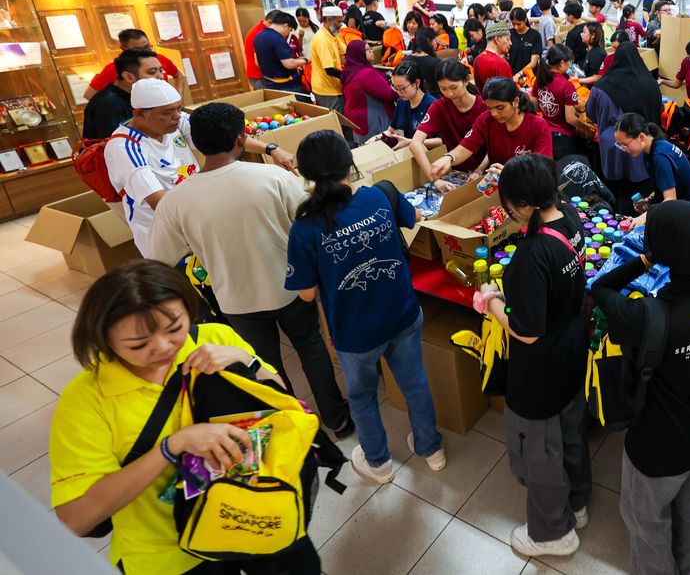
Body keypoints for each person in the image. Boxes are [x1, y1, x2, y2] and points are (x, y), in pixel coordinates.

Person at [50, 260, 324, 574]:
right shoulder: (87, 400)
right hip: (172, 555)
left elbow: (283, 402)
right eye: (139, 344)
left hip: (252, 510)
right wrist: (172, 446)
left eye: (174, 328)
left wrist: (245, 360)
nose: (164, 347)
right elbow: (76, 517)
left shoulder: (215, 338)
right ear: (103, 338)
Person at [148, 103, 352, 438]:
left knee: (264, 363)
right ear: (242, 139)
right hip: (291, 288)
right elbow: (308, 228)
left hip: (235, 299)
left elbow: (159, 258)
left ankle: (292, 426)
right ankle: (337, 418)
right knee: (311, 347)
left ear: (196, 145)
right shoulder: (274, 177)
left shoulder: (177, 200)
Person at [286, 131, 446, 484]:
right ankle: (431, 450)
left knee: (361, 396)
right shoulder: (379, 194)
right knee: (415, 382)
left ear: (308, 174)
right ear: (349, 163)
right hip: (402, 313)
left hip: (354, 331)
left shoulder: (306, 226)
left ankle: (379, 463)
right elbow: (414, 216)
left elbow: (307, 295)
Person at [589, 201, 690, 575]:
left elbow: (600, 287)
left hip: (657, 446)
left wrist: (646, 259)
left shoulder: (650, 317)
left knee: (646, 523)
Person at [472, 155, 591, 557]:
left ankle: (553, 533)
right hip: (572, 351)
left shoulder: (531, 254)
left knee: (539, 450)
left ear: (521, 205)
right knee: (571, 433)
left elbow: (524, 330)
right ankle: (578, 502)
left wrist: (491, 302)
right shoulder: (571, 220)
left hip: (540, 369)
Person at [104, 79, 200, 257]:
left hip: (195, 220)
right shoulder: (125, 146)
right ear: (140, 114)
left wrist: (268, 149)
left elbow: (222, 139)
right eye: (168, 112)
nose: (177, 116)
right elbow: (159, 203)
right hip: (164, 235)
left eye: (179, 108)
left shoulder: (176, 121)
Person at [428, 77, 552, 180]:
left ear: (515, 102)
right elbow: (466, 147)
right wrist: (448, 158)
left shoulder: (538, 126)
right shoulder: (486, 120)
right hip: (498, 186)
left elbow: (542, 169)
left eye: (500, 108)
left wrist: (511, 174)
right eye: (489, 108)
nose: (494, 113)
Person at [588, 42, 664, 203]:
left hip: (611, 146)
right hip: (639, 146)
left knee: (614, 192)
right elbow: (659, 110)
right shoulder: (649, 84)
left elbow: (591, 113)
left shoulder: (601, 87)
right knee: (639, 195)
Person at [410, 58, 485, 176]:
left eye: (453, 87)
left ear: (466, 81)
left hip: (485, 172)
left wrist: (480, 170)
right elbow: (415, 143)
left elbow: (495, 145)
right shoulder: (439, 107)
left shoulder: (484, 106)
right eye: (443, 89)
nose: (449, 93)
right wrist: (433, 178)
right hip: (456, 172)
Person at [614, 113, 690, 205]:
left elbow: (670, 200)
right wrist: (649, 199)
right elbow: (664, 185)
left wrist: (642, 217)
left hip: (685, 209)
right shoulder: (653, 148)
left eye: (625, 144)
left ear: (641, 137)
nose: (623, 149)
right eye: (620, 145)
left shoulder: (659, 156)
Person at [83, 49, 164, 140]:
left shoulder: (141, 96)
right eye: (152, 72)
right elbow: (116, 143)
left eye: (161, 71)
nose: (160, 77)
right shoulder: (108, 102)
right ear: (129, 77)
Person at [84, 28, 180, 101]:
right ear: (124, 48)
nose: (145, 52)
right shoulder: (113, 68)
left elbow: (178, 76)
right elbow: (89, 94)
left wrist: (178, 98)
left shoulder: (159, 58)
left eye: (147, 47)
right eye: (138, 49)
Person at [340, 39, 396, 145]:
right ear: (359, 53)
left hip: (357, 119)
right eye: (367, 49)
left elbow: (374, 81)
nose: (371, 50)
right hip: (371, 118)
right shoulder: (366, 73)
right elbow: (389, 94)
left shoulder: (350, 69)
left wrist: (386, 75)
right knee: (381, 149)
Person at [535, 44, 583, 159]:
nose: (570, 65)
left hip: (545, 134)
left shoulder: (540, 79)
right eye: (569, 62)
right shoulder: (567, 85)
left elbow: (537, 107)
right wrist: (585, 127)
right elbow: (570, 119)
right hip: (563, 138)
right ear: (562, 63)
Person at [378, 59, 435, 148]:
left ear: (417, 83)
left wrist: (410, 142)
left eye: (402, 88)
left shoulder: (431, 105)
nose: (399, 92)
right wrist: (378, 137)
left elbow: (441, 140)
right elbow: (391, 130)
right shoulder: (401, 102)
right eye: (395, 88)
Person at [253, 10, 308, 97]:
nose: (288, 34)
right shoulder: (277, 38)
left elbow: (257, 63)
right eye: (289, 30)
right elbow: (288, 64)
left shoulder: (258, 36)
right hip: (286, 85)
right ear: (285, 26)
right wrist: (306, 60)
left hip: (269, 84)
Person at [308, 5, 347, 113]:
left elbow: (348, 53)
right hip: (327, 90)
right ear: (328, 20)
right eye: (338, 22)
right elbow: (329, 69)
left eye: (341, 21)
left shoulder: (333, 36)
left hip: (335, 86)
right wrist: (349, 75)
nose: (341, 25)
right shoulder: (322, 40)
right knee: (337, 121)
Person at [504, 7, 542, 75]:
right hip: (512, 74)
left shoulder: (535, 35)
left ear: (525, 20)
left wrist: (519, 74)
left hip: (530, 75)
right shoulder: (509, 34)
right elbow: (503, 55)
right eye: (513, 24)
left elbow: (533, 62)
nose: (516, 27)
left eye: (519, 24)